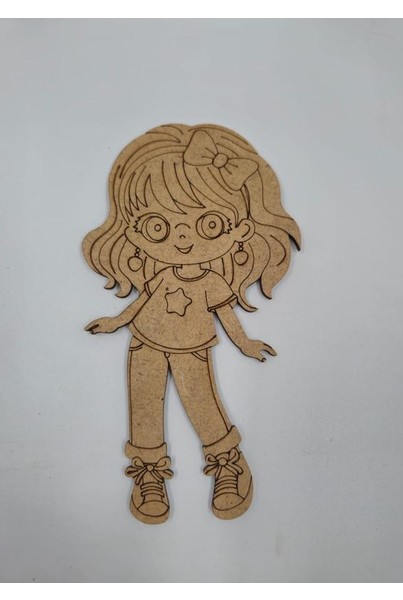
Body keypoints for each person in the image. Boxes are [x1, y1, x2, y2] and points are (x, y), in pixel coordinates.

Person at [83, 124, 300, 523]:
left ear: (240, 229)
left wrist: (246, 343)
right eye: (159, 226)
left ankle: (227, 461)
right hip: (144, 344)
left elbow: (226, 315)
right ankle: (149, 473)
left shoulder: (212, 281)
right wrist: (116, 322)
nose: (182, 239)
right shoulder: (160, 274)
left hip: (193, 348)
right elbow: (142, 302)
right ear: (134, 231)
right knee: (143, 407)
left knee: (202, 405)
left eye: (209, 224)